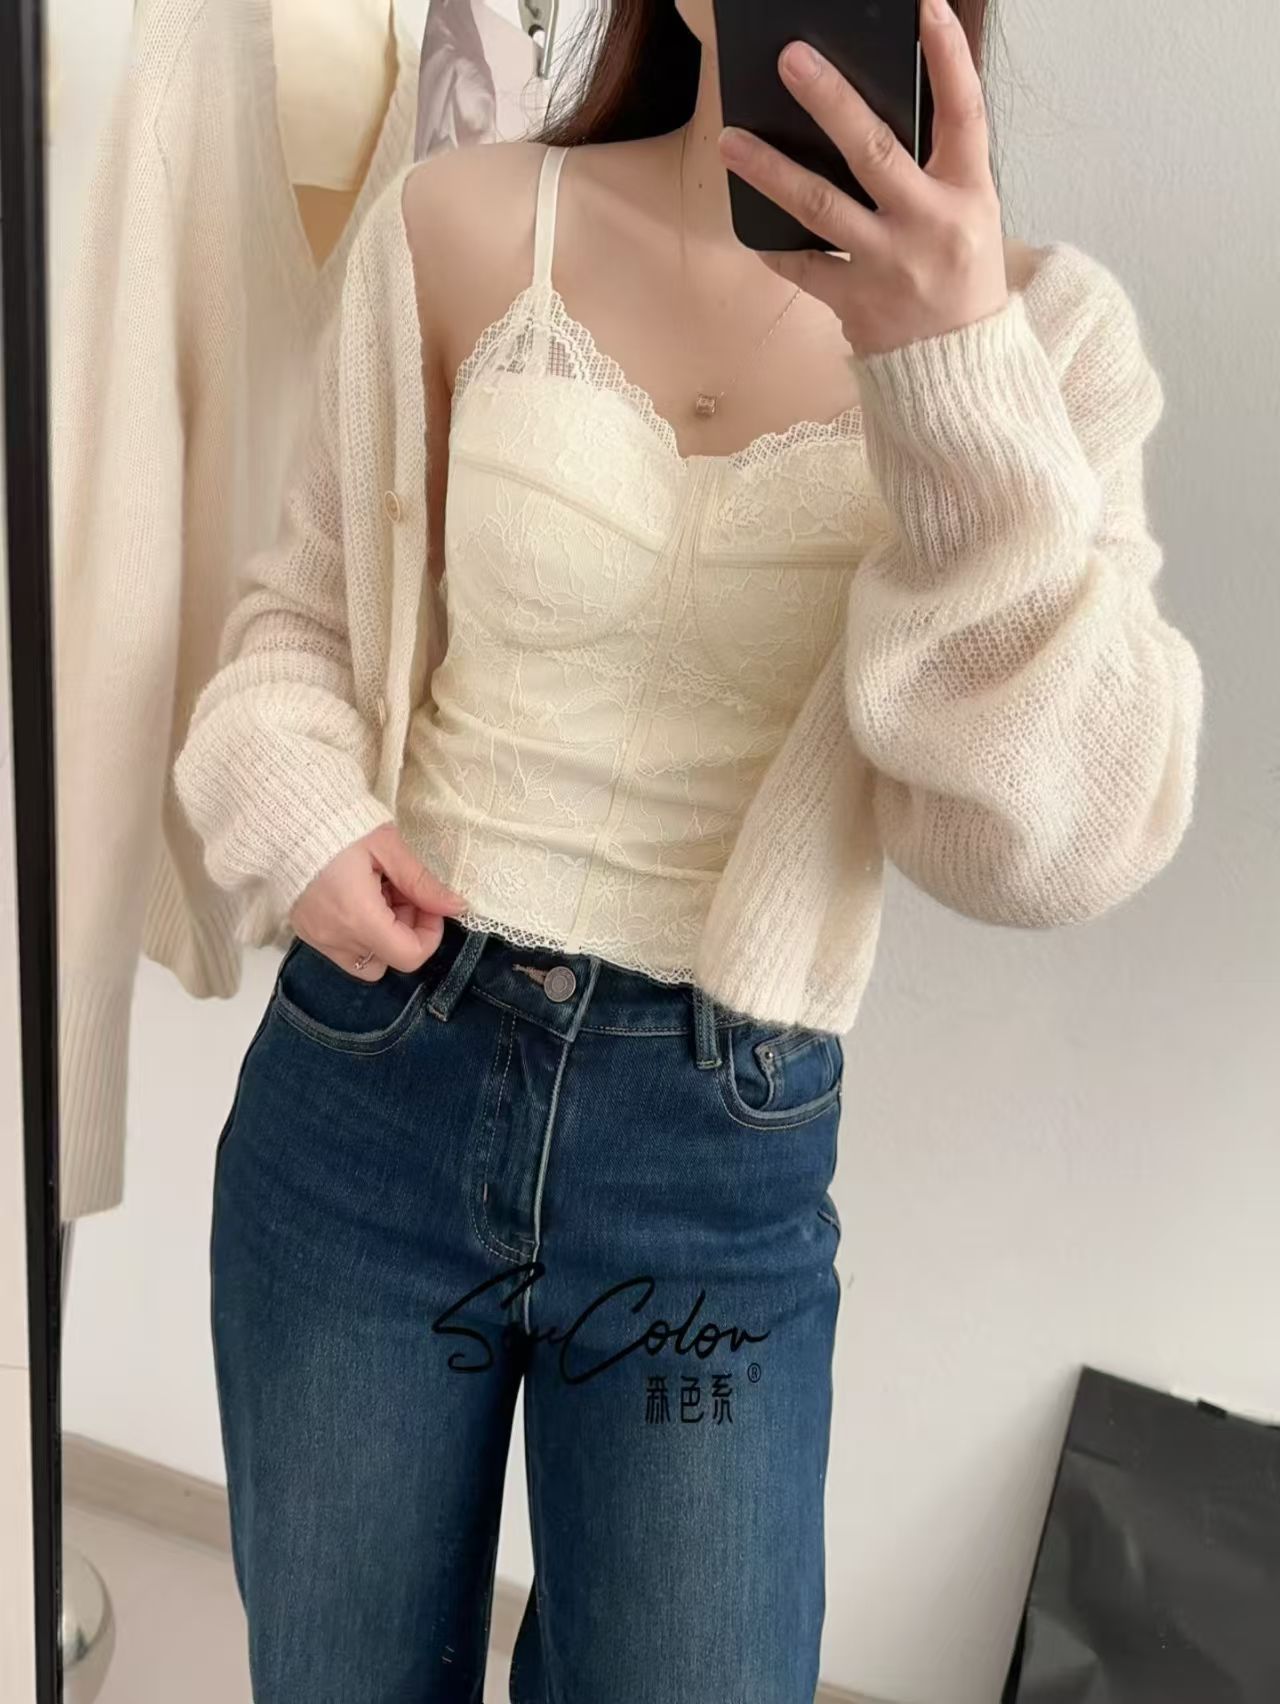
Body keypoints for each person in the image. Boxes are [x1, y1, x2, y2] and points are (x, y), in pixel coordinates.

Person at [172, 0, 1203, 1698]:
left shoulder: (1052, 340)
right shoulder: (461, 220)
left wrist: (954, 371)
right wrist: (306, 815)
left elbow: (1061, 845)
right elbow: (298, 625)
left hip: (710, 1155)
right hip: (373, 1088)